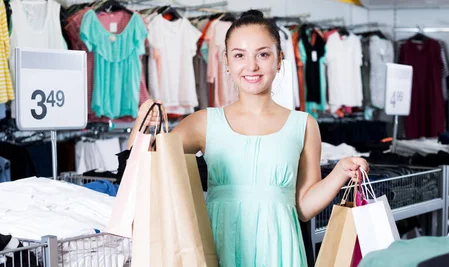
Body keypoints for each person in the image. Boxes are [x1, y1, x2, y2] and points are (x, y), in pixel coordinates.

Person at [127, 9, 369, 267]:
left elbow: (303, 207)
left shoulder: (305, 125)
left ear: (279, 60)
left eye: (263, 54)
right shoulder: (204, 122)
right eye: (239, 55)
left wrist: (340, 172)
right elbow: (143, 169)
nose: (251, 66)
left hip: (280, 249)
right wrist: (141, 126)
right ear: (227, 63)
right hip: (219, 245)